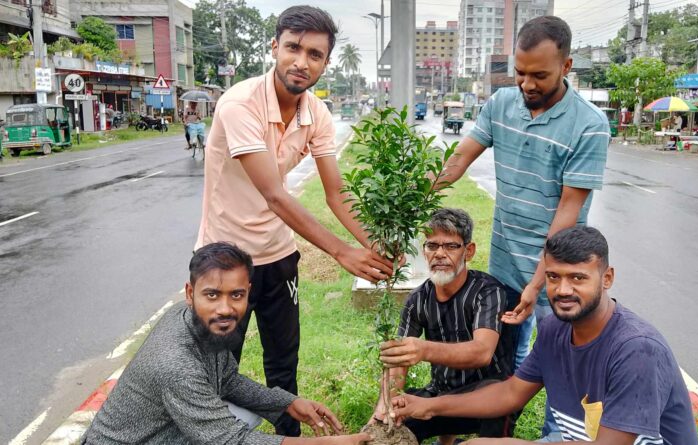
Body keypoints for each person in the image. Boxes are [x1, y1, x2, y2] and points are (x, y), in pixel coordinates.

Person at [195, 5, 394, 437]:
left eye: (315, 54)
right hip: (224, 260)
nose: (301, 62)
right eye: (293, 48)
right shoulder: (239, 104)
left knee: (283, 362)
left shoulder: (317, 116)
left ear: (326, 62)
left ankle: (290, 436)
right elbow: (274, 194)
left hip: (278, 255)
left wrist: (375, 244)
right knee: (215, 366)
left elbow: (335, 192)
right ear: (275, 47)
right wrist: (341, 251)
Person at [433, 16, 610, 440]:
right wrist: (412, 195)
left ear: (567, 67)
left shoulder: (589, 125)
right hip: (504, 264)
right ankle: (497, 434)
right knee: (503, 361)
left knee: (565, 366)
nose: (527, 83)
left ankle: (558, 435)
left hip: (559, 272)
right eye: (520, 72)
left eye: (540, 75)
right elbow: (457, 163)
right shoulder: (501, 105)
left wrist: (539, 282)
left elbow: (567, 212)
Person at [391, 226, 698, 445]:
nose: (563, 290)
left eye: (578, 278)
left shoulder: (636, 349)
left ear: (607, 278)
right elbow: (511, 393)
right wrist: (430, 406)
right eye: (553, 277)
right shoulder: (553, 329)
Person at [82, 243, 371, 445]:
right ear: (190, 292)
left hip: (171, 430)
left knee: (246, 416)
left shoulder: (204, 325)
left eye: (236, 295)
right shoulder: (174, 364)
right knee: (236, 430)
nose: (225, 308)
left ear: (248, 292)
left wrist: (289, 402)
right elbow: (229, 441)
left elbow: (229, 381)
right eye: (212, 295)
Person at [371, 209, 515, 445]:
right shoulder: (417, 300)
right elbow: (398, 361)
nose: (439, 254)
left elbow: (482, 352)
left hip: (487, 397)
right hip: (439, 395)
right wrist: (386, 404)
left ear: (468, 251)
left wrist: (424, 350)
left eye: (450, 246)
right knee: (395, 416)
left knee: (498, 397)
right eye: (432, 246)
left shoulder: (488, 291)